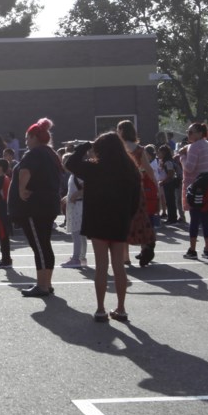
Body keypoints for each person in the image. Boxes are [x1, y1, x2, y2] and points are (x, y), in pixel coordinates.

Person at [65, 133, 141, 322]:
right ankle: (121, 308)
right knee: (118, 266)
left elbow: (70, 164)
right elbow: (136, 199)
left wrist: (84, 146)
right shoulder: (131, 169)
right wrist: (128, 216)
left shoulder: (94, 168)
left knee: (101, 266)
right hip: (120, 219)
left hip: (97, 219)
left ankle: (100, 309)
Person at [8, 119, 64, 296]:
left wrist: (22, 189)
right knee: (44, 244)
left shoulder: (35, 153)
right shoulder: (51, 153)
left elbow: (25, 171)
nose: (26, 141)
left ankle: (42, 285)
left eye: (27, 137)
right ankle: (46, 283)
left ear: (34, 137)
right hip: (48, 205)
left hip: (35, 207)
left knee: (39, 246)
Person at [118, 120, 158, 267]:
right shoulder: (140, 149)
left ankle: (125, 257)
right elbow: (148, 169)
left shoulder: (119, 148)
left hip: (121, 189)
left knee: (123, 221)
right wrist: (155, 184)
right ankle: (144, 248)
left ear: (121, 131)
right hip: (137, 187)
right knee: (141, 217)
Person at [179, 123, 208, 259]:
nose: (188, 134)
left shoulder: (194, 147)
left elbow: (189, 167)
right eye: (187, 132)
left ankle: (192, 249)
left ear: (200, 133)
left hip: (195, 187)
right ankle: (207, 249)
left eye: (191, 132)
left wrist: (181, 157)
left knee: (194, 219)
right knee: (206, 218)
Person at [60, 152, 87, 269]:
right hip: (75, 206)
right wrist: (68, 196)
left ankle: (77, 258)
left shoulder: (78, 175)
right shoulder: (73, 175)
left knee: (76, 234)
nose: (63, 164)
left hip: (78, 206)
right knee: (80, 234)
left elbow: (87, 187)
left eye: (65, 162)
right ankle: (81, 257)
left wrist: (76, 194)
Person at [157, 144, 180, 225]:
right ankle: (171, 218)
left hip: (169, 184)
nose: (158, 154)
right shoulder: (162, 161)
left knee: (170, 201)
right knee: (169, 201)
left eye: (159, 152)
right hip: (166, 184)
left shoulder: (168, 162)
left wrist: (163, 182)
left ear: (164, 153)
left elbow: (170, 174)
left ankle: (173, 218)